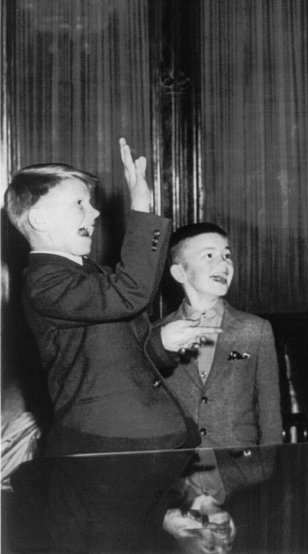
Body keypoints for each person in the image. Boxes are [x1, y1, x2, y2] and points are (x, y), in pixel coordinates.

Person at [3, 139, 220, 456]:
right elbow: (131, 291)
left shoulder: (93, 274)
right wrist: (141, 208)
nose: (94, 211)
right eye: (79, 203)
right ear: (40, 220)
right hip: (103, 442)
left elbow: (113, 361)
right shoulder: (43, 282)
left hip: (144, 438)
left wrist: (163, 342)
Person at [156, 222, 283, 447]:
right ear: (179, 272)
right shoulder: (157, 335)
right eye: (209, 255)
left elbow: (270, 413)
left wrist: (268, 470)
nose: (224, 263)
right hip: (177, 471)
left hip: (237, 470)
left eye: (226, 255)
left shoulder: (255, 329)